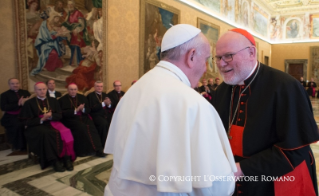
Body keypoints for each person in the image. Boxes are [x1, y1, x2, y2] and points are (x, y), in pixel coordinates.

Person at [104, 24, 236, 196]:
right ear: (192, 56)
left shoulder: (133, 92)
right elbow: (217, 187)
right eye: (206, 60)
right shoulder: (194, 104)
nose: (206, 68)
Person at [212, 28, 319, 196]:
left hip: (277, 182)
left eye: (228, 56)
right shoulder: (222, 90)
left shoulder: (285, 87)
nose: (221, 63)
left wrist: (242, 169)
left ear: (251, 53)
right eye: (218, 57)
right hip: (233, 181)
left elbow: (295, 149)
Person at [19, 82, 75, 172]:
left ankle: (66, 158)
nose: (42, 91)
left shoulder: (53, 101)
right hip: (36, 126)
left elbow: (60, 115)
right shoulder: (29, 103)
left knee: (66, 131)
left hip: (53, 123)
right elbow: (25, 121)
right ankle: (54, 160)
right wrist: (42, 119)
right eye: (39, 89)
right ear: (35, 91)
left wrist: (51, 116)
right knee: (48, 134)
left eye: (44, 89)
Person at [58, 83, 105, 157]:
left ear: (77, 90)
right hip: (71, 119)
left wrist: (83, 109)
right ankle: (82, 151)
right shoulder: (62, 100)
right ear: (67, 90)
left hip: (83, 117)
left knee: (91, 126)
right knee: (81, 127)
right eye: (71, 89)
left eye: (75, 89)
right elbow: (62, 113)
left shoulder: (82, 97)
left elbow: (89, 109)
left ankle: (98, 149)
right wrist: (75, 110)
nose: (73, 91)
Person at [1, 78, 30, 151]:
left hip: (25, 115)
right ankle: (20, 146)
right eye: (13, 84)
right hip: (11, 116)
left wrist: (27, 102)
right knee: (19, 126)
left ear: (19, 84)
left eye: (17, 83)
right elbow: (3, 107)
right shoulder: (4, 95)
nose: (15, 85)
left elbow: (31, 102)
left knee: (33, 123)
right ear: (9, 85)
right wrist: (18, 104)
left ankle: (32, 144)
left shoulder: (25, 92)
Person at [86, 81, 112, 145]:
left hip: (105, 114)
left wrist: (109, 104)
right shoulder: (90, 96)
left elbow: (110, 106)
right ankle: (103, 144)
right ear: (94, 87)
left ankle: (111, 144)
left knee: (114, 121)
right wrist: (103, 103)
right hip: (96, 115)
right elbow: (92, 108)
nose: (99, 88)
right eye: (98, 86)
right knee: (103, 123)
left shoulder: (105, 95)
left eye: (101, 86)